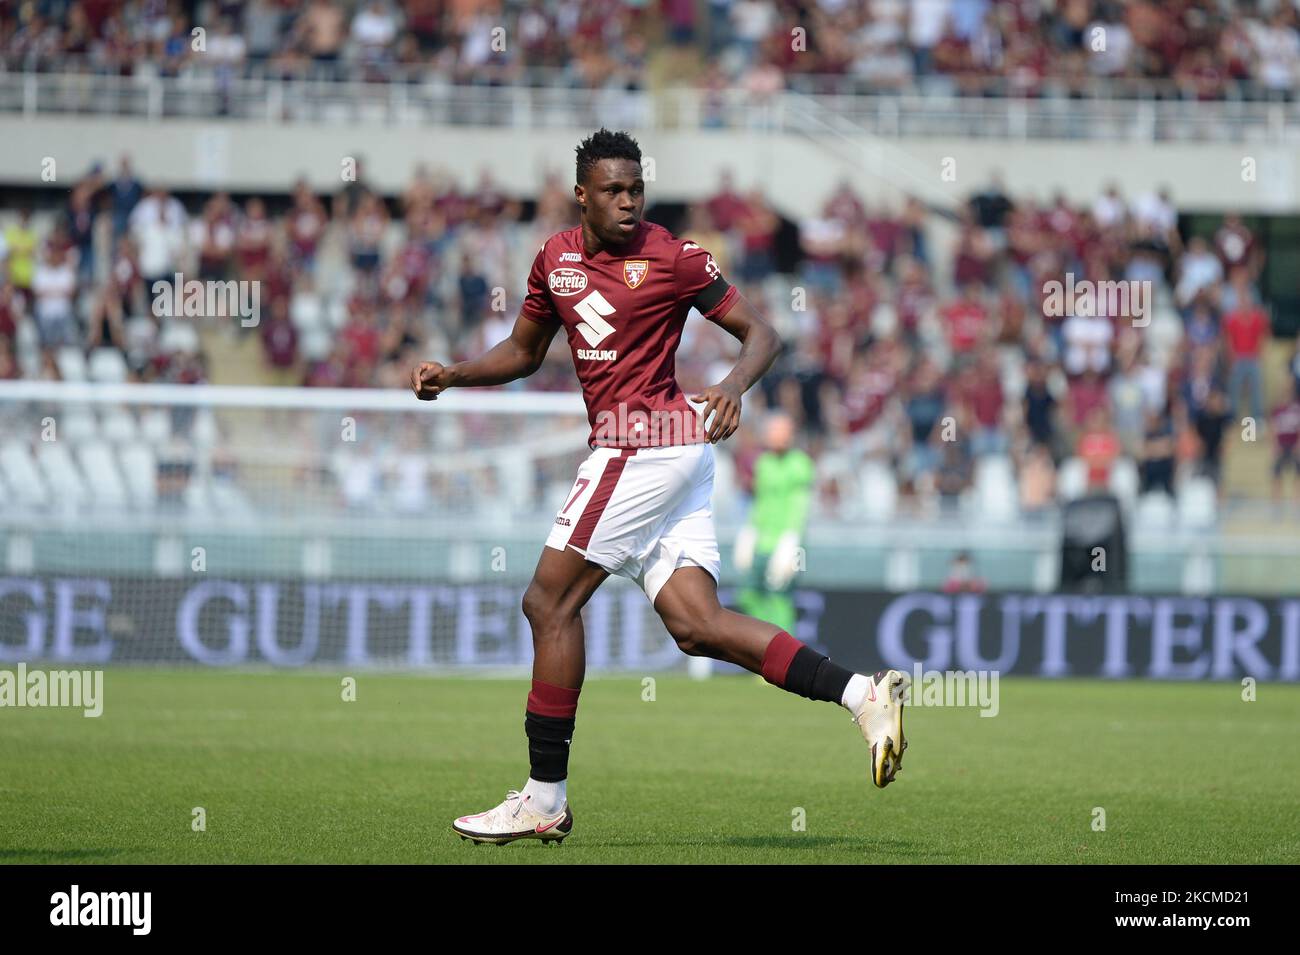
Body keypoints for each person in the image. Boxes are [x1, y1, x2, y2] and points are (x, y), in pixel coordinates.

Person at [412, 130, 911, 846]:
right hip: (668, 458)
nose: (627, 202)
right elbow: (523, 353)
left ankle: (543, 797)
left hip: (643, 445)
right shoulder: (554, 258)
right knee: (696, 625)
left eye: (635, 189)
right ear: (580, 195)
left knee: (547, 601)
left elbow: (762, 332)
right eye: (612, 191)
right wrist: (453, 373)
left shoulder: (672, 256)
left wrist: (735, 385)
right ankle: (863, 694)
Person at [734, 411, 815, 635]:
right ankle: (765, 644)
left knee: (783, 597)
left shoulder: (801, 464)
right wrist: (749, 533)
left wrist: (792, 540)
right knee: (748, 594)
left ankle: (784, 659)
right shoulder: (763, 463)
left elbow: (801, 507)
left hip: (794, 545)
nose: (777, 436)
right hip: (761, 541)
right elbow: (759, 503)